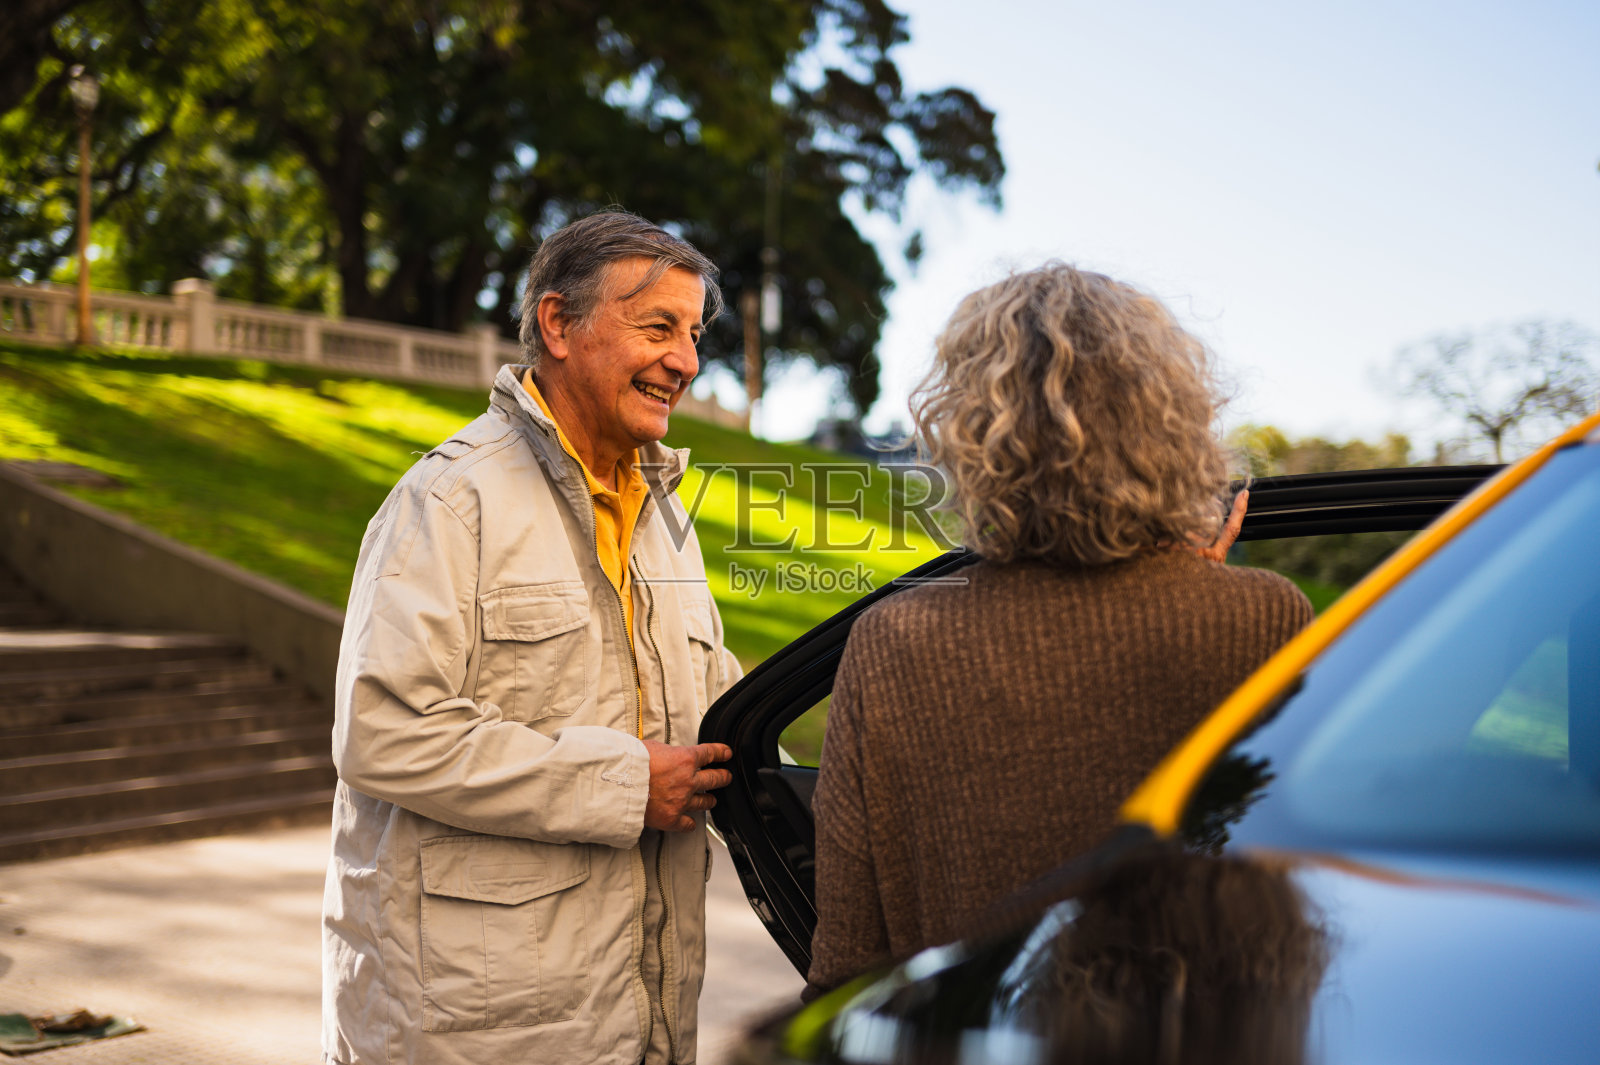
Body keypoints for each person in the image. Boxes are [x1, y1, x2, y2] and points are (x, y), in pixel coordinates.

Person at [805, 262, 1313, 994]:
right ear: (1172, 422)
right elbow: (1299, 884)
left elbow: (849, 956)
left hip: (970, 1034)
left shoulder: (894, 638)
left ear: (968, 431)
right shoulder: (1264, 617)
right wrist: (1198, 587)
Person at [322, 211, 741, 1065]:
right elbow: (382, 732)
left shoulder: (667, 524)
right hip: (474, 1034)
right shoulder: (449, 500)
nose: (686, 362)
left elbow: (721, 715)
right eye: (657, 327)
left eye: (694, 335)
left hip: (641, 1024)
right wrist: (625, 785)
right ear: (558, 323)